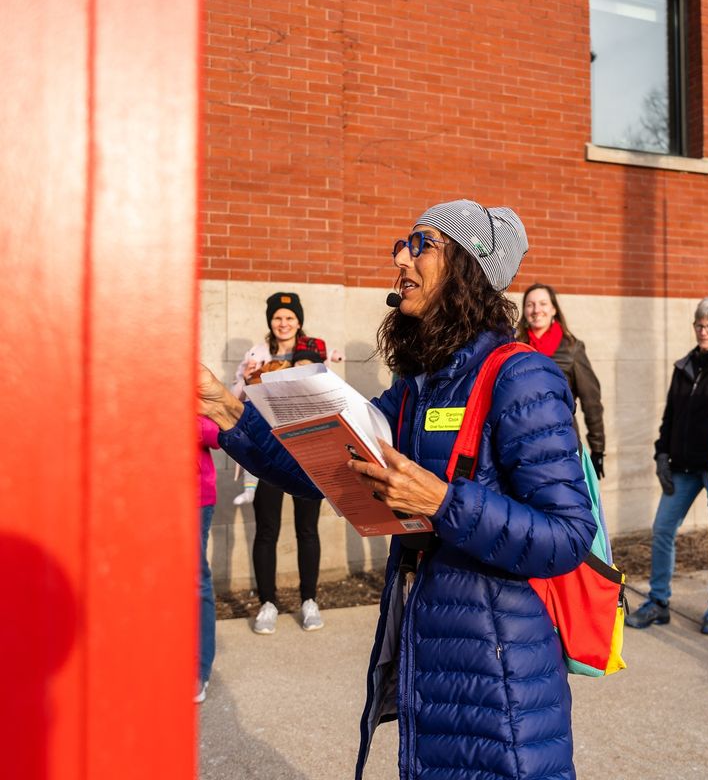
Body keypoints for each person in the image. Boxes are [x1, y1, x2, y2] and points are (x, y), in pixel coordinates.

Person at [198, 200, 595, 779]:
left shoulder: (521, 375)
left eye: (422, 245)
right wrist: (227, 410)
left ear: (468, 268)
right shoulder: (417, 388)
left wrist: (442, 503)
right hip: (429, 665)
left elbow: (567, 536)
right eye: (401, 246)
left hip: (500, 680)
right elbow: (325, 469)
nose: (400, 259)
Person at [626, 297, 708, 636]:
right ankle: (658, 602)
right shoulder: (684, 366)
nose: (704, 331)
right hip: (682, 467)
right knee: (662, 529)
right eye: (700, 325)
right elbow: (670, 416)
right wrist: (662, 454)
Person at [230, 291, 330, 635]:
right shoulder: (256, 355)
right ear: (270, 322)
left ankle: (309, 601)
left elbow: (325, 396)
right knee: (267, 529)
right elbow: (233, 401)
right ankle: (267, 604)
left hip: (305, 450)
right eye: (277, 318)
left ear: (299, 321)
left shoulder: (313, 352)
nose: (283, 323)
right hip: (266, 450)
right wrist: (245, 379)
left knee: (307, 528)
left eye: (289, 317)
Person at [517, 283, 606, 478]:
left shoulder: (572, 349)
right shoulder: (515, 348)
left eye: (543, 303)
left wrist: (598, 449)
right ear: (524, 311)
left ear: (553, 309)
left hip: (562, 441)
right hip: (522, 441)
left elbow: (592, 402)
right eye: (530, 305)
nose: (536, 310)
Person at [196, 415, 220, 703]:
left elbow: (216, 434)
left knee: (194, 581)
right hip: (146, 494)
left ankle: (198, 669)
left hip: (194, 499)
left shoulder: (194, 384)